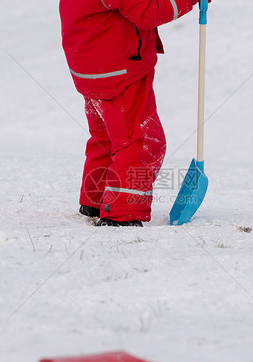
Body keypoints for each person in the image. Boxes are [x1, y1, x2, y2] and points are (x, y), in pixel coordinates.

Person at [59, 0, 203, 226]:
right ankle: (123, 212)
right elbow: (147, 11)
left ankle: (96, 200)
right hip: (118, 69)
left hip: (91, 66)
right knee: (141, 142)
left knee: (107, 137)